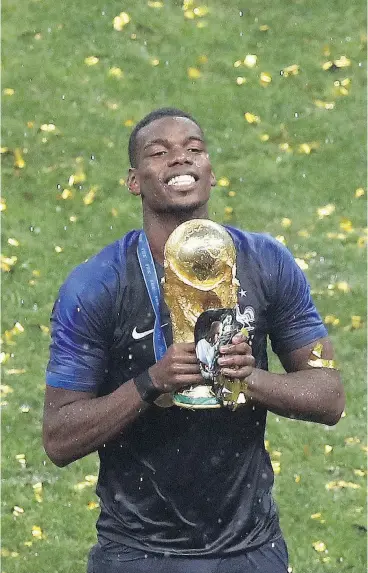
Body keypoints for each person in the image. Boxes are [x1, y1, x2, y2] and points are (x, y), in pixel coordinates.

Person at [43, 107, 345, 573]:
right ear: (133, 181)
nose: (180, 160)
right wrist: (150, 384)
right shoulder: (97, 285)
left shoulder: (267, 263)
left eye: (194, 150)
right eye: (159, 153)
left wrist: (249, 379)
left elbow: (329, 396)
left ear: (211, 173)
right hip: (136, 552)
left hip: (250, 550)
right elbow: (59, 437)